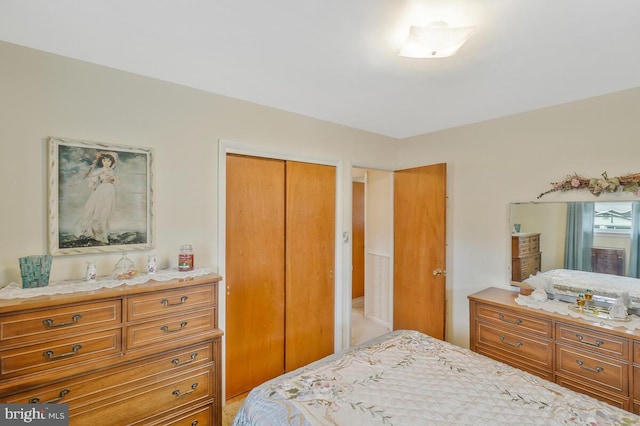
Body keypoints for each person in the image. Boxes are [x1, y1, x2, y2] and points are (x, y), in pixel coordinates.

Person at [75, 151, 119, 244]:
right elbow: (91, 182)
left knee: (106, 213)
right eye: (105, 161)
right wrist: (93, 186)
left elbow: (117, 182)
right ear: (102, 162)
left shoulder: (112, 171)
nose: (107, 163)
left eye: (109, 161)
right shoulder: (99, 171)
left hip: (110, 191)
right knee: (98, 212)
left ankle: (104, 234)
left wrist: (114, 178)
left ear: (112, 162)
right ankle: (97, 234)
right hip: (102, 191)